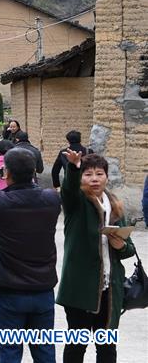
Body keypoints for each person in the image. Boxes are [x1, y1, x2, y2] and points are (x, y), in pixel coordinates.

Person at [0, 148, 62, 363]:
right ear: (35, 172)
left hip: (10, 291)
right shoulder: (51, 200)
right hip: (43, 290)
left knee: (9, 350)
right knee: (45, 351)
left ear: (6, 173)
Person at [56, 152, 136, 363]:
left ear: (106, 177)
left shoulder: (115, 205)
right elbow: (69, 190)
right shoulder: (77, 203)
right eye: (88, 174)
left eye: (99, 174)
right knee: (76, 345)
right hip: (80, 288)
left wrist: (120, 245)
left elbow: (129, 250)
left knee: (107, 347)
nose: (94, 178)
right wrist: (73, 168)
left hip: (110, 289)